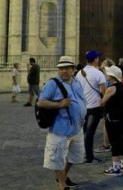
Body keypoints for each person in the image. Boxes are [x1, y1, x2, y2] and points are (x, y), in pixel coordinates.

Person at [38, 56, 86, 190]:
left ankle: (62, 177)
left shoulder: (76, 81)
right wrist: (59, 104)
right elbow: (41, 102)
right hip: (60, 129)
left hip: (77, 128)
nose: (63, 71)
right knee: (57, 159)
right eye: (61, 69)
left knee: (74, 157)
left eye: (66, 68)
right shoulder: (52, 83)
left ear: (73, 70)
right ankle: (62, 185)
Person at [76, 50, 106, 164]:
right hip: (94, 106)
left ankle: (81, 153)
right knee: (90, 132)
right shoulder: (98, 73)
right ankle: (89, 156)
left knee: (83, 131)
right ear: (95, 59)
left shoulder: (80, 72)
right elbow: (104, 91)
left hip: (83, 106)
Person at [101, 66, 123, 176]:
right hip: (122, 118)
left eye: (107, 73)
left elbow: (102, 102)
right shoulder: (122, 86)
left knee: (114, 142)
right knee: (121, 141)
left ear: (112, 76)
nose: (106, 75)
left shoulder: (111, 88)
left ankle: (116, 167)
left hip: (113, 119)